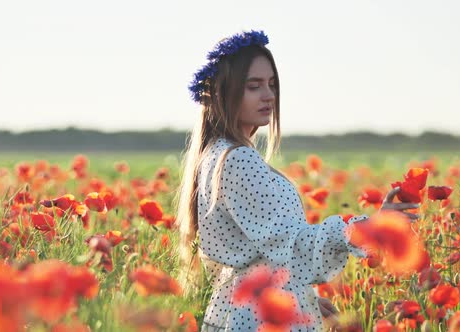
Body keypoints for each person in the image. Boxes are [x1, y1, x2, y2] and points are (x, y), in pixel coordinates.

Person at [175, 30, 418, 332]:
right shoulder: (237, 159)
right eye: (254, 86)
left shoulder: (215, 154)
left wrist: (301, 297)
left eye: (272, 85)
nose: (268, 95)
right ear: (225, 93)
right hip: (259, 316)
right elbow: (294, 241)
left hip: (246, 307)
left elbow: (262, 251)